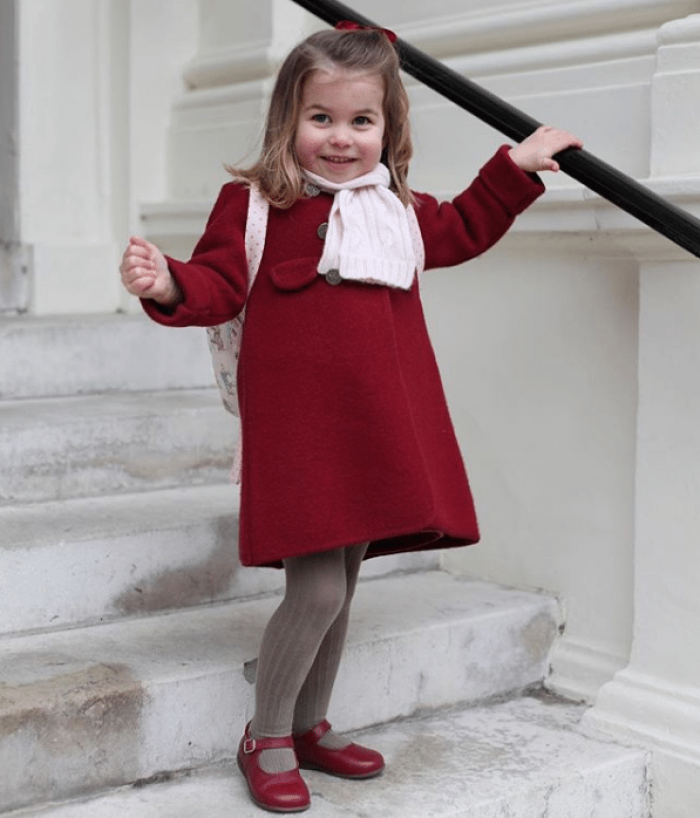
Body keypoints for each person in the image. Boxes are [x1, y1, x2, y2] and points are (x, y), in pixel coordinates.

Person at [120, 22, 582, 814]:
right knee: (318, 593)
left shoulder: (395, 207)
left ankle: (307, 724)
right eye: (321, 119)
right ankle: (264, 734)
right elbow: (218, 283)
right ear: (286, 121)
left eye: (360, 121)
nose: (340, 139)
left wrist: (514, 167)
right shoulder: (257, 204)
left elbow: (465, 225)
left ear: (388, 128)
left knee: (348, 579)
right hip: (302, 434)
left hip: (376, 426)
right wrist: (167, 282)